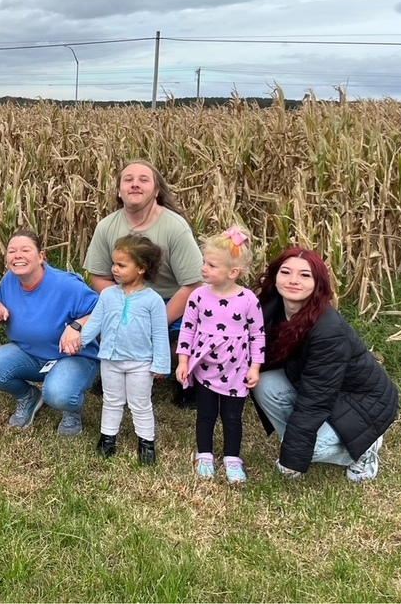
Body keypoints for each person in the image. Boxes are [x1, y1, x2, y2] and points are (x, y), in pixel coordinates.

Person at [252, 248, 399, 482]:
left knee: (311, 451)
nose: (293, 281)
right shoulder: (271, 309)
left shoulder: (328, 330)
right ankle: (306, 440)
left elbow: (316, 397)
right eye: (286, 272)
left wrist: (294, 456)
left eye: (304, 275)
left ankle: (366, 447)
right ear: (275, 276)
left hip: (364, 402)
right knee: (264, 383)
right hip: (325, 390)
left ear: (318, 283)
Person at [83, 160, 203, 407]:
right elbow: (100, 277)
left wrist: (153, 323)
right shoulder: (106, 227)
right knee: (95, 325)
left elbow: (193, 285)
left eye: (143, 179)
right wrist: (121, 309)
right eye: (128, 180)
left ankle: (188, 379)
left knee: (189, 336)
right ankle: (115, 372)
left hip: (170, 301)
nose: (135, 184)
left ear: (156, 191)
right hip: (124, 295)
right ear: (119, 190)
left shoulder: (175, 227)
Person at [0, 230, 100, 435]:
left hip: (73, 357)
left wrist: (77, 326)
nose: (17, 256)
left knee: (59, 394)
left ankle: (71, 409)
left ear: (41, 256)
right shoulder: (10, 279)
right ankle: (28, 397)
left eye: (25, 250)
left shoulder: (66, 285)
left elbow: (103, 310)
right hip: (30, 353)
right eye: (12, 251)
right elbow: (1, 299)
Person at [175, 228, 265, 482]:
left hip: (236, 370)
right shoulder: (198, 296)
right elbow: (188, 329)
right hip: (204, 367)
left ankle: (232, 458)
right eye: (204, 262)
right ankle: (204, 453)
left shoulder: (248, 300)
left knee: (232, 416)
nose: (204, 268)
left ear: (233, 272)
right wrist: (184, 360)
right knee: (205, 414)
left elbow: (257, 335)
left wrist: (255, 366)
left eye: (212, 265)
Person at [80, 235, 170, 465]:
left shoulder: (153, 301)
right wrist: (79, 341)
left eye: (121, 265)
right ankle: (107, 439)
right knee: (111, 400)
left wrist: (160, 365)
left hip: (140, 363)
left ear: (141, 268)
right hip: (110, 360)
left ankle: (146, 443)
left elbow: (160, 334)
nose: (115, 269)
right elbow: (95, 322)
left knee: (140, 403)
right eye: (114, 264)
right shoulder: (108, 295)